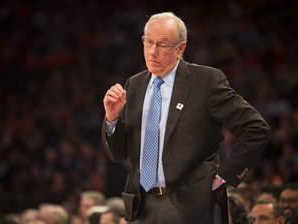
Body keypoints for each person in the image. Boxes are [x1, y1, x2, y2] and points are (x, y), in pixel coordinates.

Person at [102, 12, 271, 224]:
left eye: (162, 45)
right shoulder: (134, 85)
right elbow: (117, 153)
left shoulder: (206, 81)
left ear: (180, 48)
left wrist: (224, 175)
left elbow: (256, 128)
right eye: (149, 42)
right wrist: (112, 118)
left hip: (189, 206)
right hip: (140, 205)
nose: (152, 52)